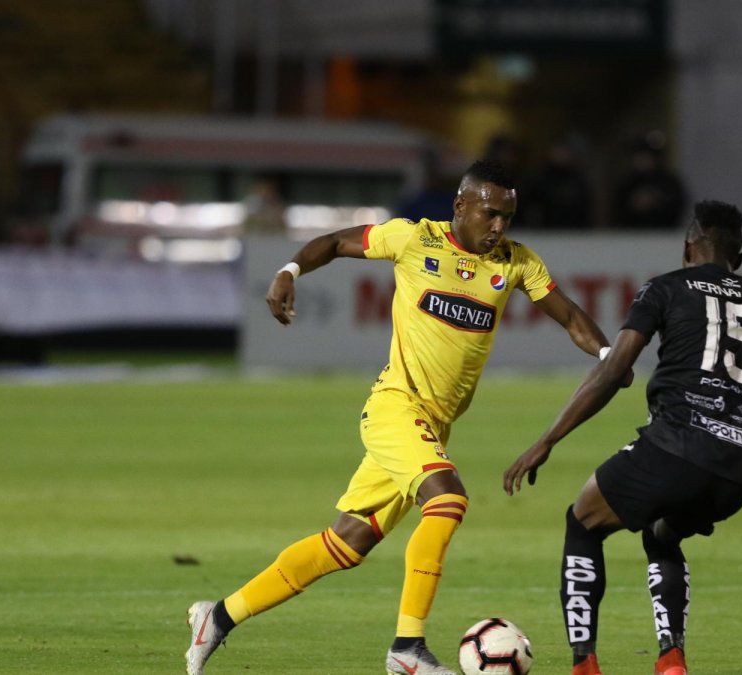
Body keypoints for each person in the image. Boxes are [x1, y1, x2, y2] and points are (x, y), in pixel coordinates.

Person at [186, 159, 619, 675]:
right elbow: (335, 242)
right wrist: (289, 271)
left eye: (507, 216)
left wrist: (609, 356)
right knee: (448, 499)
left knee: (345, 543)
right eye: (490, 214)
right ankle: (407, 648)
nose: (499, 226)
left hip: (433, 426)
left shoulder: (517, 262)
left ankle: (218, 616)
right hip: (396, 407)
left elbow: (569, 316)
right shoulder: (414, 239)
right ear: (460, 206)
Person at [502, 201, 742, 675]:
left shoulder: (665, 288)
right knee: (661, 533)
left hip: (675, 446)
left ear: (687, 249)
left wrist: (548, 439)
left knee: (583, 521)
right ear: (738, 259)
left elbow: (614, 369)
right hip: (738, 468)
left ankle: (584, 665)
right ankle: (671, 659)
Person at [612, 132, 687, 230]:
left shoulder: (668, 182)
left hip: (663, 234)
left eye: (646, 156)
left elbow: (677, 205)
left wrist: (656, 202)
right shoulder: (628, 183)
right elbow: (617, 211)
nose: (642, 160)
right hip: (633, 234)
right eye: (639, 156)